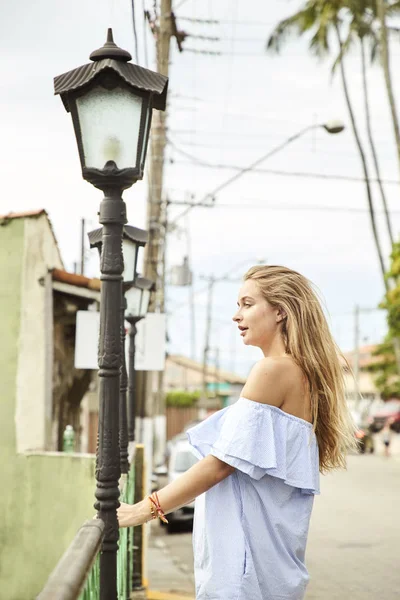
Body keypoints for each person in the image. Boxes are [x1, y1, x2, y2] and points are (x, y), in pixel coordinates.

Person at [118, 265, 357, 600]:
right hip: (269, 566)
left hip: (246, 568)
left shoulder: (272, 371)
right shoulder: (302, 373)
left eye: (247, 303)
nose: (236, 316)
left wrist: (144, 508)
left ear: (280, 312)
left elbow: (221, 464)